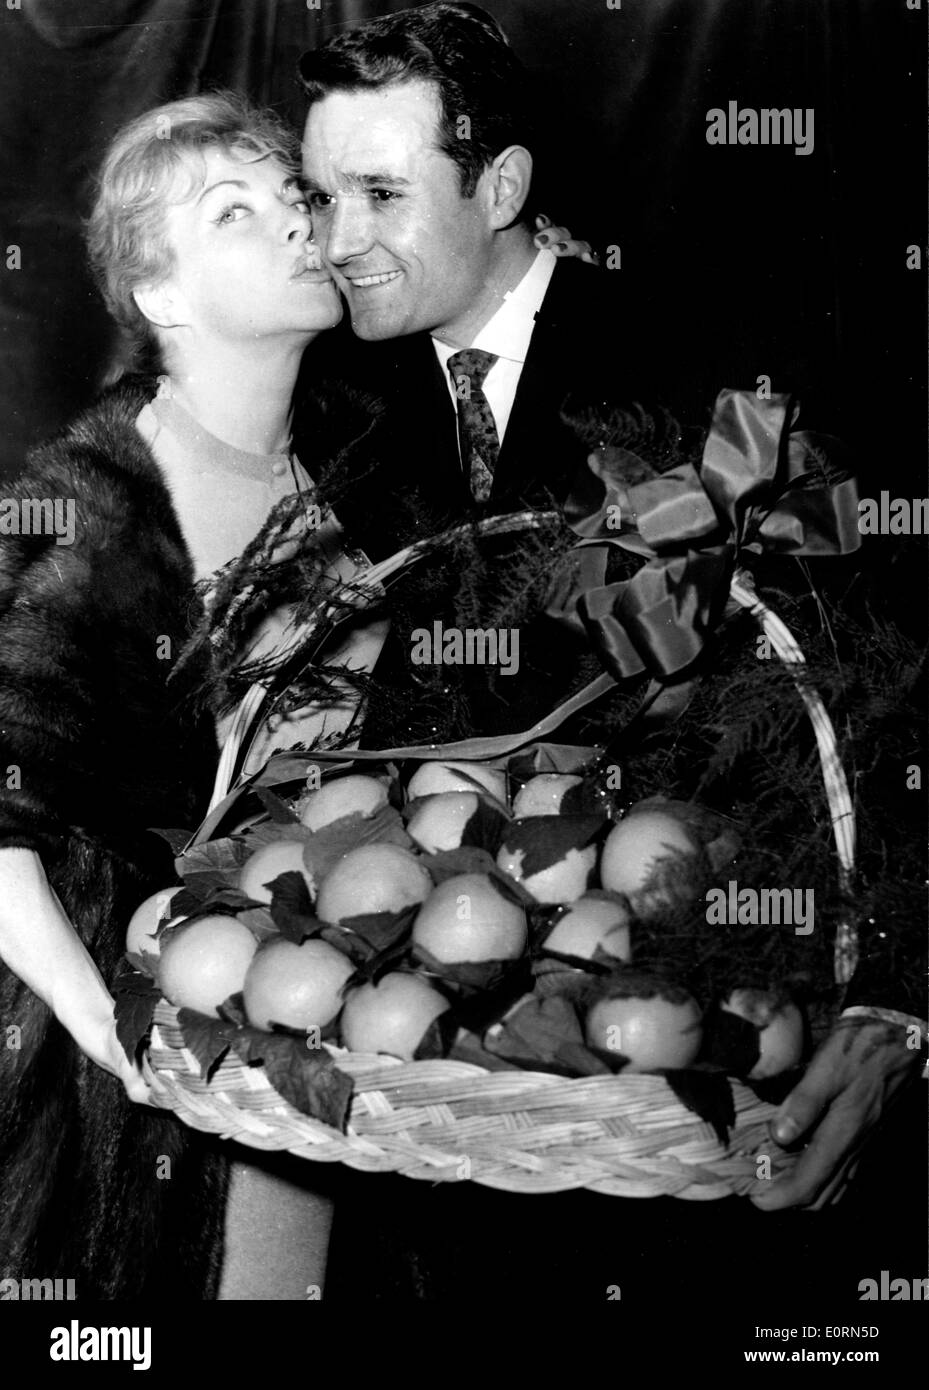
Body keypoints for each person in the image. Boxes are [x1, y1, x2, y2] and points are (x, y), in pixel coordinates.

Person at [292, 3, 925, 1297]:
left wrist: (901, 996)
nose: (335, 239)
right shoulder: (345, 394)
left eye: (377, 193)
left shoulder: (706, 360)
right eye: (320, 193)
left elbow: (893, 669)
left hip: (700, 1089)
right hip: (454, 1104)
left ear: (504, 185)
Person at [0, 91, 387, 1300]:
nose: (289, 221)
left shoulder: (367, 472)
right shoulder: (90, 505)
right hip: (125, 1066)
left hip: (321, 1031)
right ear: (158, 298)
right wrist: (104, 1029)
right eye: (233, 211)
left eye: (290, 194)